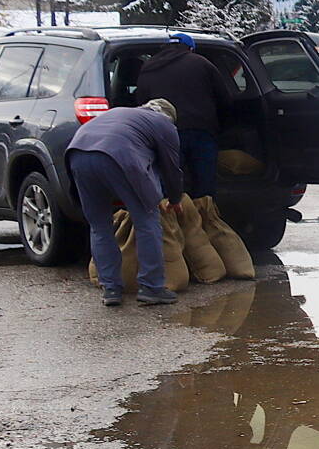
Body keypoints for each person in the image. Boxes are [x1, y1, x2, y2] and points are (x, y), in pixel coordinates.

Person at [68, 98, 186, 306]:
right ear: (170, 117)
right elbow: (171, 167)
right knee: (147, 221)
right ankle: (151, 287)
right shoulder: (164, 124)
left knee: (99, 226)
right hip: (118, 155)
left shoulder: (123, 112)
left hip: (78, 155)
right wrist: (175, 198)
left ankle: (111, 289)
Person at [134, 33, 234, 199]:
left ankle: (170, 219)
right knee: (204, 182)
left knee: (169, 181)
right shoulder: (202, 63)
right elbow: (224, 99)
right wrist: (222, 128)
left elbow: (141, 102)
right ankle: (204, 218)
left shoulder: (149, 66)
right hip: (201, 130)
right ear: (190, 48)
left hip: (164, 131)